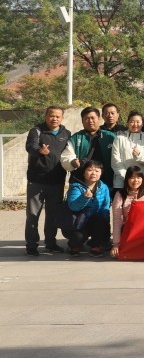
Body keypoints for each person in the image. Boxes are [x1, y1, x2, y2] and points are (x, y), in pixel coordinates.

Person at [25, 105, 72, 256]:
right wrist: (39, 151)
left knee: (53, 215)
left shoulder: (66, 133)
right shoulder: (37, 131)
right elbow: (30, 146)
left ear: (62, 118)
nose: (54, 119)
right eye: (51, 115)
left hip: (57, 181)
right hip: (36, 181)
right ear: (46, 116)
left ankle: (50, 243)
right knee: (33, 215)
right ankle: (31, 245)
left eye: (58, 116)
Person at [64, 160, 111, 257]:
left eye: (97, 171)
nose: (93, 173)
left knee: (100, 220)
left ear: (101, 173)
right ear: (84, 172)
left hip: (94, 222)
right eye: (90, 170)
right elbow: (73, 207)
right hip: (78, 222)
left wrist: (105, 230)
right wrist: (84, 197)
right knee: (77, 238)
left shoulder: (104, 187)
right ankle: (74, 245)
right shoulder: (76, 187)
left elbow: (105, 207)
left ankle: (95, 245)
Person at [61, 106, 117, 185]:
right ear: (82, 121)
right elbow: (67, 155)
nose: (90, 121)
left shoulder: (110, 137)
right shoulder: (76, 138)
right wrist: (72, 162)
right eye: (86, 118)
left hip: (106, 180)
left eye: (93, 118)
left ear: (99, 119)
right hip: (80, 181)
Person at [110, 166, 144, 258]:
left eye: (138, 177)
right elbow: (117, 220)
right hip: (128, 228)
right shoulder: (120, 194)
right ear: (127, 179)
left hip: (143, 228)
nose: (136, 180)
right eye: (132, 177)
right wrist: (116, 244)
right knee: (120, 254)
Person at [110, 111, 144, 191]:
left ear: (142, 124)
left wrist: (139, 156)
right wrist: (128, 178)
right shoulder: (119, 139)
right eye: (132, 122)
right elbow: (115, 162)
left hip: (141, 182)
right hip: (121, 183)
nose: (135, 124)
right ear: (127, 123)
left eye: (138, 122)